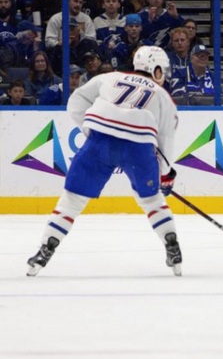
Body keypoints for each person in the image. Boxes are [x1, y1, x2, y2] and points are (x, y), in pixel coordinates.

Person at [26, 45, 183, 277]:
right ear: (156, 69)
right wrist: (164, 174)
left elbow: (75, 103)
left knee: (72, 200)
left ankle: (44, 251)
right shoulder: (163, 97)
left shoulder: (109, 77)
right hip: (138, 146)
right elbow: (166, 140)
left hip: (100, 140)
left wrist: (91, 132)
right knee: (151, 200)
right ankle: (173, 247)